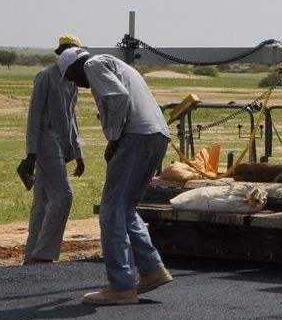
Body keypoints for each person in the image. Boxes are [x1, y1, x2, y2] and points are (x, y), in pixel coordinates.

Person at [61, 47, 173, 305]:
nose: (76, 84)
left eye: (70, 76)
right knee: (126, 208)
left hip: (134, 136)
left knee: (111, 211)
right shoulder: (120, 65)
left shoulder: (93, 65)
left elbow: (118, 97)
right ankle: (152, 269)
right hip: (156, 135)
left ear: (76, 66)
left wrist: (113, 138)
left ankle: (121, 286)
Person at [16, 33, 86, 264]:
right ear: (60, 54)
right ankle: (45, 253)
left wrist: (78, 152)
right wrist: (31, 154)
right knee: (64, 196)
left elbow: (71, 116)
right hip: (46, 144)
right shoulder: (45, 77)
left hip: (61, 145)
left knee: (42, 202)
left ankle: (32, 255)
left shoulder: (72, 80)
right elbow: (34, 116)